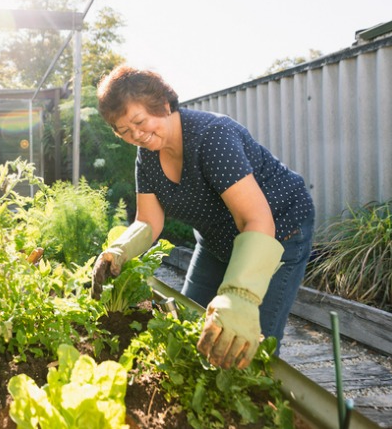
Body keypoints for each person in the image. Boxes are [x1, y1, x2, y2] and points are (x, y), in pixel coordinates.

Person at [91, 65, 315, 370]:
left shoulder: (212, 138)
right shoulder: (147, 156)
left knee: (244, 342)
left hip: (278, 230)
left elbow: (255, 218)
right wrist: (118, 251)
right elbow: (147, 221)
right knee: (188, 324)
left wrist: (240, 295)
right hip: (217, 238)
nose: (137, 135)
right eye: (124, 131)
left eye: (140, 122)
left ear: (163, 105)